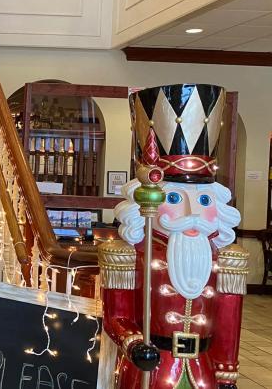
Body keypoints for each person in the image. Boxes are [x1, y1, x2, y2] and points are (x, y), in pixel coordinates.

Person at [102, 84, 247, 389]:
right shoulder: (129, 255)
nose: (192, 212)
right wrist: (133, 344)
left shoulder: (226, 261)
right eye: (176, 199)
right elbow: (116, 315)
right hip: (151, 370)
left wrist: (226, 374)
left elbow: (227, 324)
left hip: (202, 370)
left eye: (203, 201)